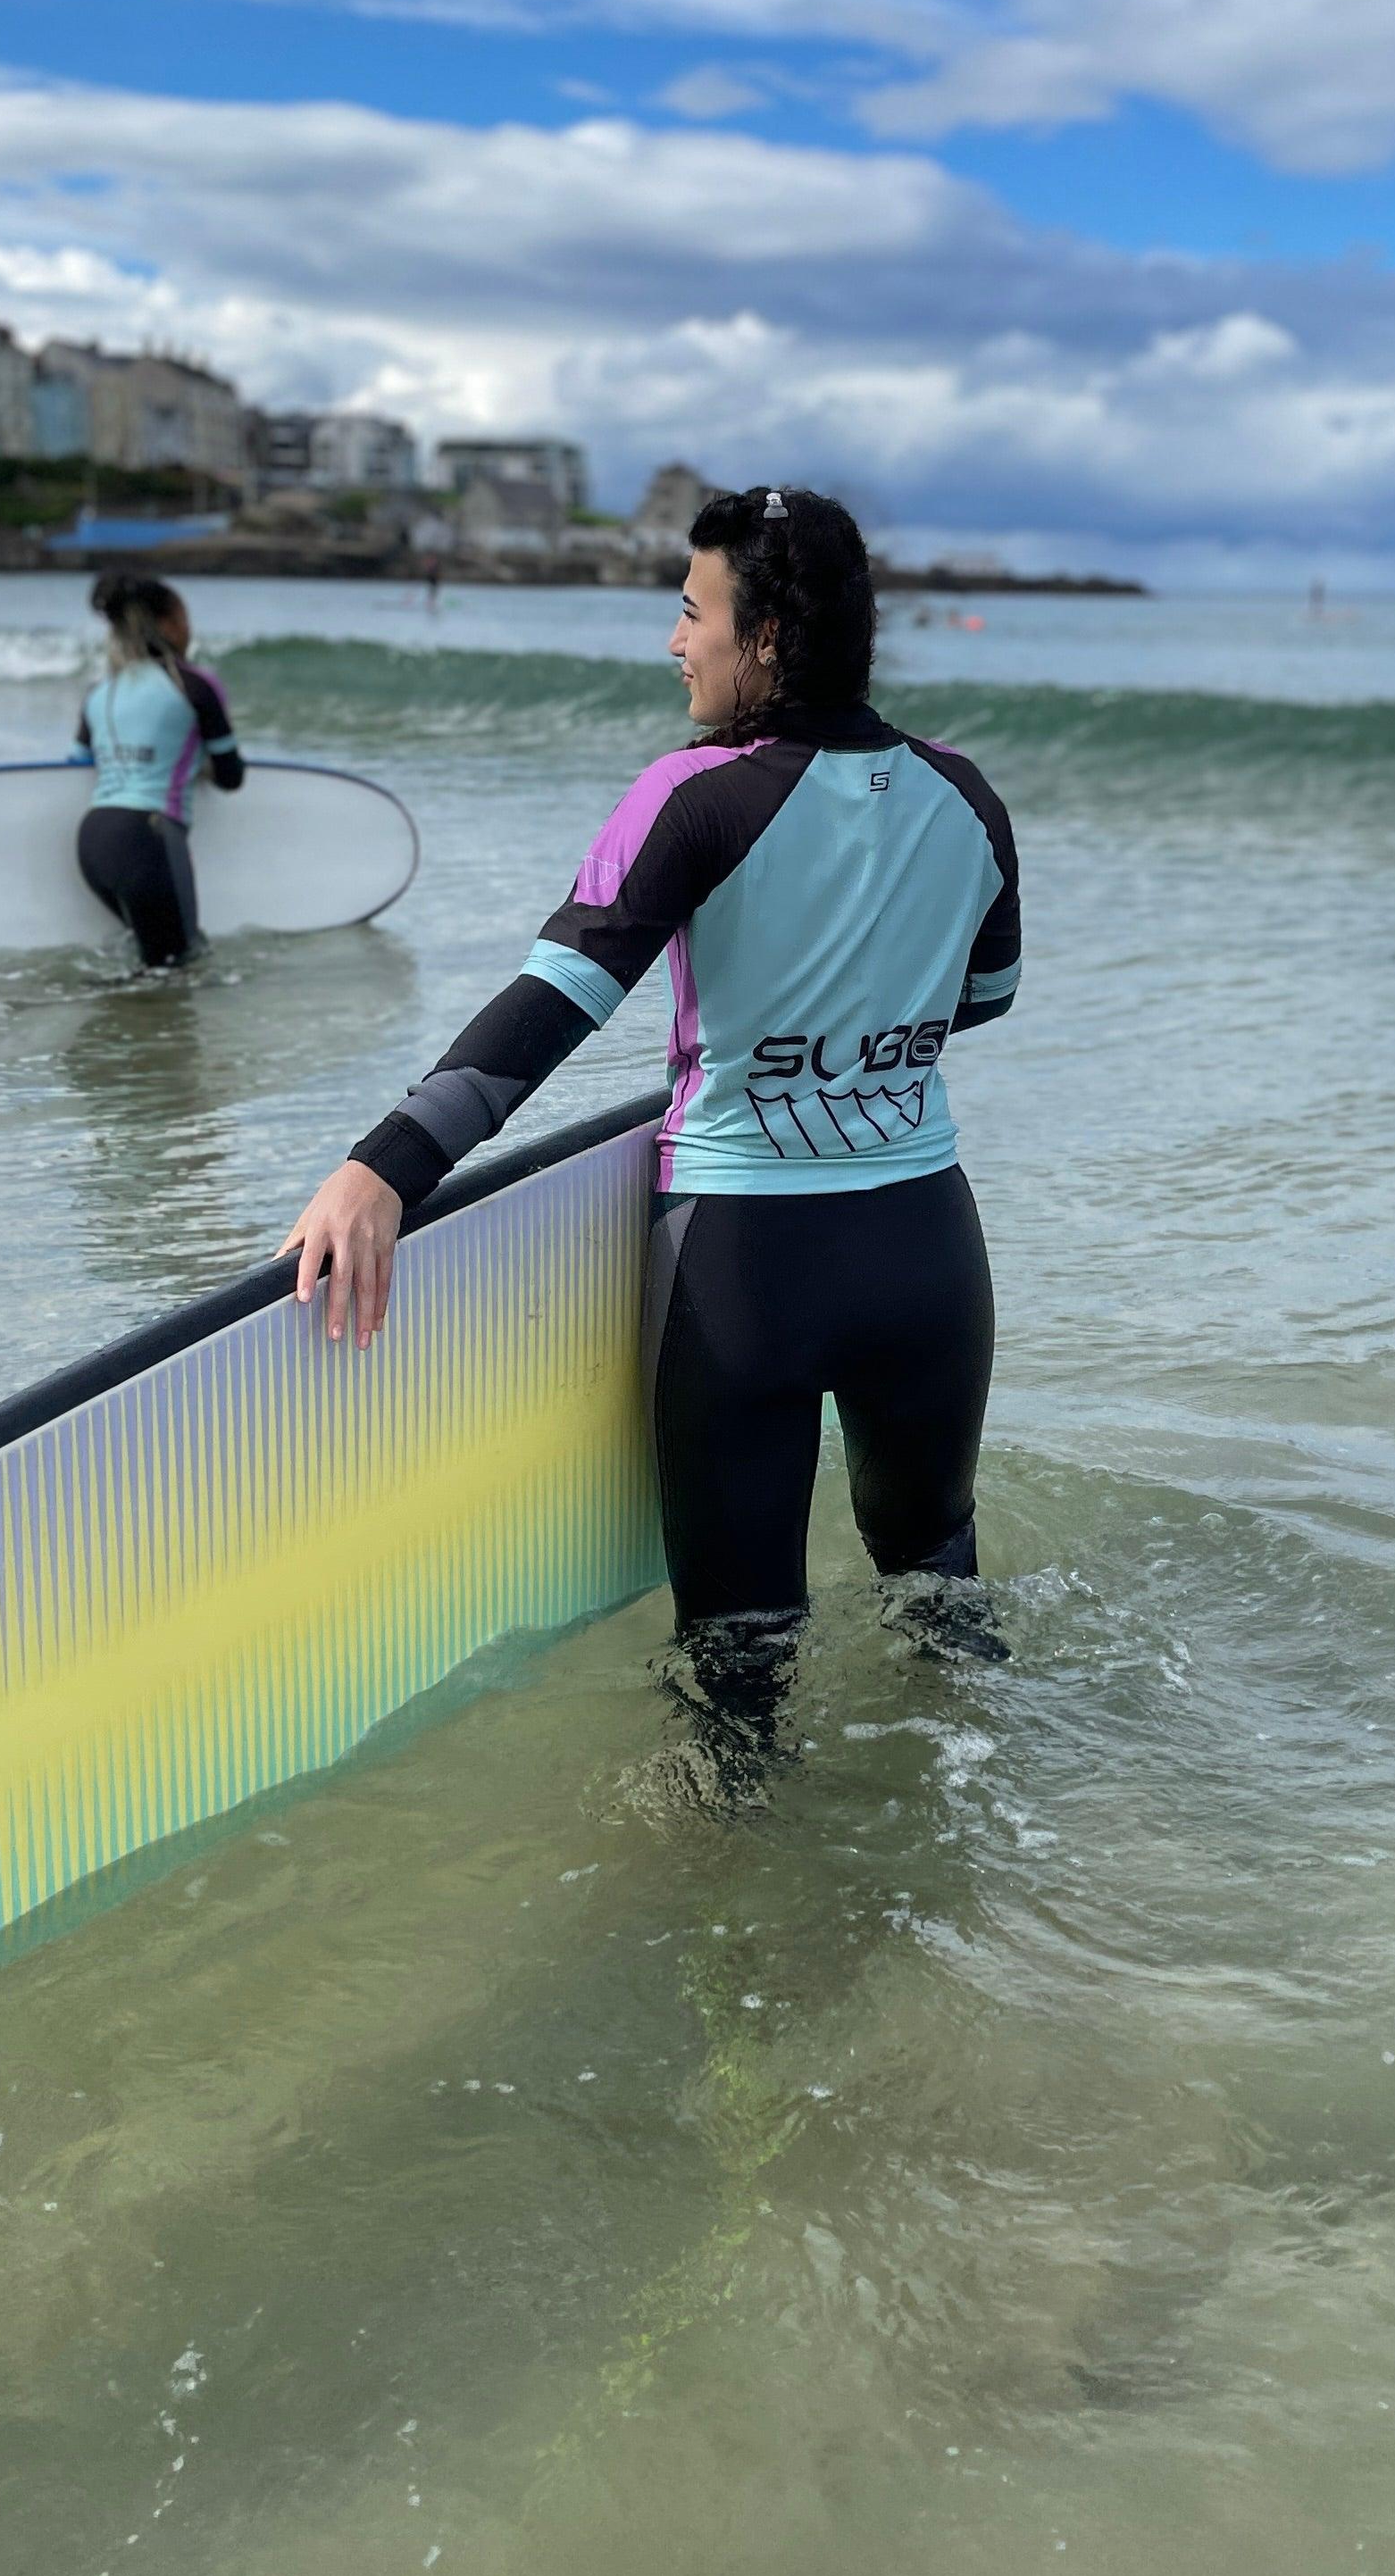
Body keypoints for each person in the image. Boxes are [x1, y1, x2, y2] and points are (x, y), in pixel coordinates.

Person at [280, 485, 1022, 1751]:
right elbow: (985, 998)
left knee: (739, 1672)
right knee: (944, 1605)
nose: (675, 643)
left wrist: (382, 1168)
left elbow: (552, 1005)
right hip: (926, 1255)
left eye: (692, 613)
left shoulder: (693, 797)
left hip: (746, 1272)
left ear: (768, 636)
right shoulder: (968, 799)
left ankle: (736, 1929)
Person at [71, 571, 244, 969]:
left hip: (93, 840)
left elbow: (79, 763)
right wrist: (197, 766)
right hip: (149, 839)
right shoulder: (195, 685)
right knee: (177, 970)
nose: (190, 629)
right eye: (184, 618)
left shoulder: (100, 691)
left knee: (151, 966)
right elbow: (232, 776)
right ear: (166, 624)